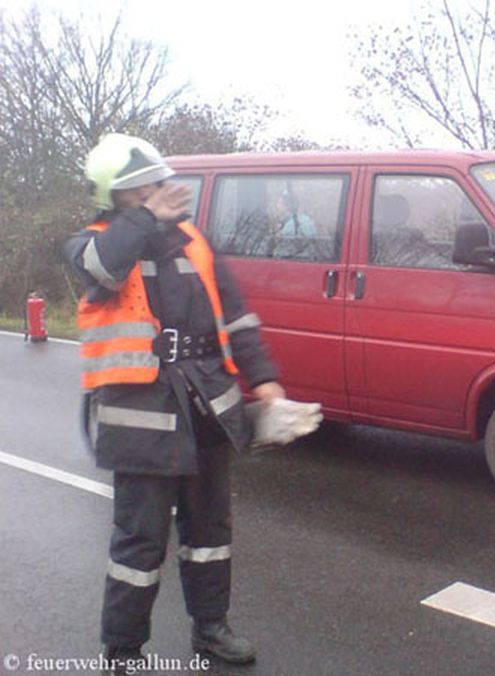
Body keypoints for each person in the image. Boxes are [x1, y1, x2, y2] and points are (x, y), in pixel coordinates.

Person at [63, 133, 285, 675]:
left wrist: (266, 382)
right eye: (137, 188)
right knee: (139, 543)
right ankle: (124, 650)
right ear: (111, 195)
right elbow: (104, 268)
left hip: (206, 405)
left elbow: (235, 314)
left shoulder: (193, 240)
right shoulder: (90, 243)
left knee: (210, 532)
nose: (153, 192)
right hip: (140, 416)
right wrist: (147, 219)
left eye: (154, 183)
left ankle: (211, 628)